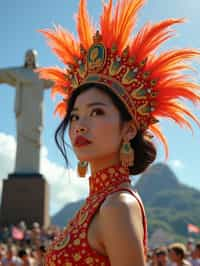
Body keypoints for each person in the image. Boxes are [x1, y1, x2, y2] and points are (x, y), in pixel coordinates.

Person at [37, 0, 200, 265]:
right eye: (75, 115)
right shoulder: (98, 204)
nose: (78, 124)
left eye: (97, 112)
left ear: (128, 129)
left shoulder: (117, 206)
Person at [0, 49, 53, 174]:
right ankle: (21, 169)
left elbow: (53, 80)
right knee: (22, 139)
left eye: (32, 56)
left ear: (35, 58)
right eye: (28, 56)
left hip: (36, 111)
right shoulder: (19, 72)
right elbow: (4, 74)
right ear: (25, 58)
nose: (30, 58)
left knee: (35, 137)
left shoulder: (41, 73)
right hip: (23, 113)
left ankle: (33, 169)